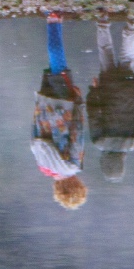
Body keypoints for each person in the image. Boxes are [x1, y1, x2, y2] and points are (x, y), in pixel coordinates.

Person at [31, 13, 87, 209]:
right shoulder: (43, 166)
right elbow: (35, 136)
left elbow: (77, 132)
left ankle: (53, 21)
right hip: (44, 105)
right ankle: (55, 24)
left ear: (77, 186)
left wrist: (79, 102)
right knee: (53, 68)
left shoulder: (72, 165)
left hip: (64, 107)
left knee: (60, 67)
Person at [87, 20, 134, 182]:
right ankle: (102, 22)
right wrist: (94, 91)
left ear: (121, 163)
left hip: (129, 88)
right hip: (107, 87)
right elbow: (94, 113)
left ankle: (132, 25)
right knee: (105, 51)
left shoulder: (133, 142)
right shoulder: (99, 141)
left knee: (128, 55)